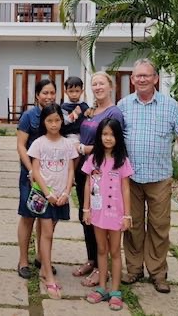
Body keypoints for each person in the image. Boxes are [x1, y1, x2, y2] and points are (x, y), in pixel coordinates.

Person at [118, 58, 178, 294]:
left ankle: (158, 273)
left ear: (155, 79)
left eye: (146, 75)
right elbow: (112, 137)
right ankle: (134, 269)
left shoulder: (170, 106)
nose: (141, 79)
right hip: (130, 178)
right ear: (132, 80)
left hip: (159, 177)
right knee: (133, 225)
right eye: (137, 76)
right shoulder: (123, 105)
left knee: (159, 226)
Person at [71, 71, 125, 287]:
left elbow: (115, 143)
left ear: (110, 86)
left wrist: (87, 148)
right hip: (85, 169)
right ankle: (92, 260)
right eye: (94, 84)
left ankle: (104, 269)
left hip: (102, 173)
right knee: (86, 215)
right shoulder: (90, 110)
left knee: (103, 218)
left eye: (101, 83)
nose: (98, 87)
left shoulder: (114, 112)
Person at [26, 103, 77, 299]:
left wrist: (66, 192)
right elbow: (36, 171)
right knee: (46, 233)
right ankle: (48, 277)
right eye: (49, 121)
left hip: (61, 196)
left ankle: (43, 268)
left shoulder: (67, 144)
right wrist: (48, 194)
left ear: (62, 121)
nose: (54, 124)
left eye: (57, 120)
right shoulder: (38, 143)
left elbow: (71, 169)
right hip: (44, 196)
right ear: (43, 122)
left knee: (50, 231)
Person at [82, 118, 133, 311]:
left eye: (112, 134)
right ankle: (102, 287)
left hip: (116, 214)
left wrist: (127, 215)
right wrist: (86, 209)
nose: (108, 138)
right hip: (97, 213)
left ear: (118, 137)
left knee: (115, 252)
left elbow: (126, 189)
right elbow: (87, 184)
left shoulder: (122, 161)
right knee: (101, 250)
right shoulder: (93, 159)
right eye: (104, 134)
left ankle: (115, 291)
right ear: (99, 136)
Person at [17, 78, 57, 279]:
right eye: (45, 93)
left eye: (52, 93)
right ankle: (23, 260)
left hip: (52, 176)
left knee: (48, 218)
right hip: (30, 176)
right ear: (37, 96)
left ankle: (43, 258)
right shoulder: (28, 116)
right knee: (28, 215)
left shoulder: (57, 115)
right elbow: (21, 146)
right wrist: (30, 170)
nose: (49, 97)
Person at [61, 76, 90, 150]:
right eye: (71, 91)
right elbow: (63, 121)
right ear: (66, 92)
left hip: (84, 134)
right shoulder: (64, 107)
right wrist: (74, 114)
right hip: (70, 135)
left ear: (82, 91)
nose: (74, 94)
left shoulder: (84, 105)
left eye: (77, 91)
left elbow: (89, 118)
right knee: (76, 150)